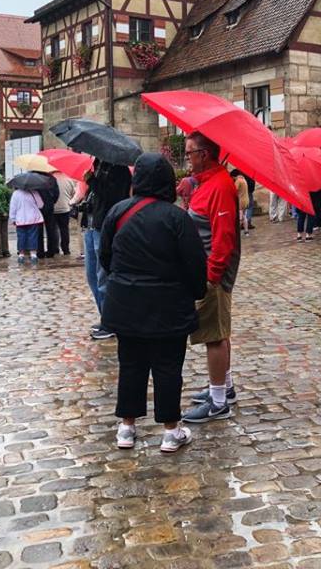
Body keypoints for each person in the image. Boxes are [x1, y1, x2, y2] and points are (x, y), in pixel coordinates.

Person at [99, 153, 208, 453]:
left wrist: (123, 282)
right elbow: (194, 263)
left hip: (127, 303)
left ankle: (127, 427)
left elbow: (105, 257)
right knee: (168, 367)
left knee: (130, 363)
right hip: (168, 305)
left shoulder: (118, 212)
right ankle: (171, 431)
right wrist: (196, 291)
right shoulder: (177, 218)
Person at [182, 132, 241, 423]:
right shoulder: (208, 183)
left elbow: (224, 237)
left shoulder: (220, 185)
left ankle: (218, 402)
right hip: (206, 269)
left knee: (213, 336)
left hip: (211, 273)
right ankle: (224, 387)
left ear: (204, 154)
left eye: (189, 153)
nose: (187, 158)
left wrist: (211, 276)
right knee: (220, 331)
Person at [84, 161, 133, 340]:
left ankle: (111, 322)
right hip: (91, 224)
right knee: (91, 276)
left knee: (103, 275)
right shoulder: (98, 165)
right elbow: (96, 197)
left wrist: (92, 181)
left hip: (105, 225)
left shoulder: (119, 170)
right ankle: (106, 316)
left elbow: (114, 197)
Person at [9, 185, 44, 266]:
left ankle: (21, 255)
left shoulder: (16, 194)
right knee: (33, 236)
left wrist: (13, 218)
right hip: (33, 219)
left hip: (20, 219)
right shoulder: (34, 192)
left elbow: (12, 207)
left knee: (21, 236)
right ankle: (33, 255)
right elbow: (41, 205)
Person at [52, 171, 77, 256]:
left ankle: (55, 249)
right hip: (65, 208)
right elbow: (73, 194)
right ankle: (66, 249)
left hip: (52, 209)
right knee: (64, 229)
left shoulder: (49, 179)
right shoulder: (68, 179)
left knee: (53, 229)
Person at [36, 173, 60, 258]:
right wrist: (52, 202)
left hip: (37, 208)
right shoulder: (51, 178)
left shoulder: (34, 179)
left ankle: (40, 252)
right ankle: (51, 251)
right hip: (49, 206)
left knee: (39, 231)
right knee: (51, 230)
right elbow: (57, 193)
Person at [231, 169, 250, 236]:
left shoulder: (238, 181)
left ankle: (236, 233)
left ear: (234, 176)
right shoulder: (243, 179)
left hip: (241, 201)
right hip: (246, 200)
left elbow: (234, 190)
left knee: (240, 217)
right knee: (244, 216)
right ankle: (246, 231)